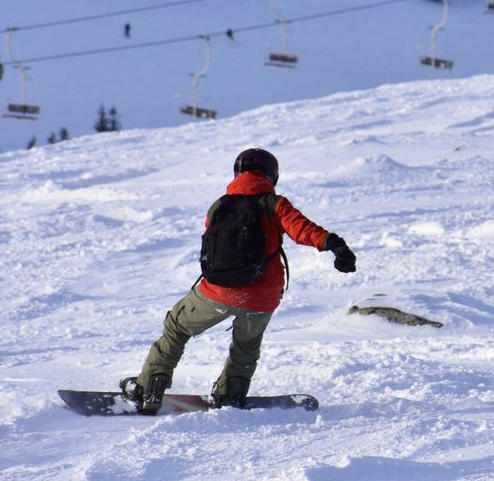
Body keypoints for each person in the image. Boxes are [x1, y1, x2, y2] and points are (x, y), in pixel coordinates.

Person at [120, 148, 356, 412]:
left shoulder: (220, 205)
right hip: (262, 296)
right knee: (246, 344)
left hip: (219, 291)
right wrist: (335, 246)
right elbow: (302, 229)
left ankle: (149, 388)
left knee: (177, 325)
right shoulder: (275, 204)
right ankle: (231, 394)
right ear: (272, 175)